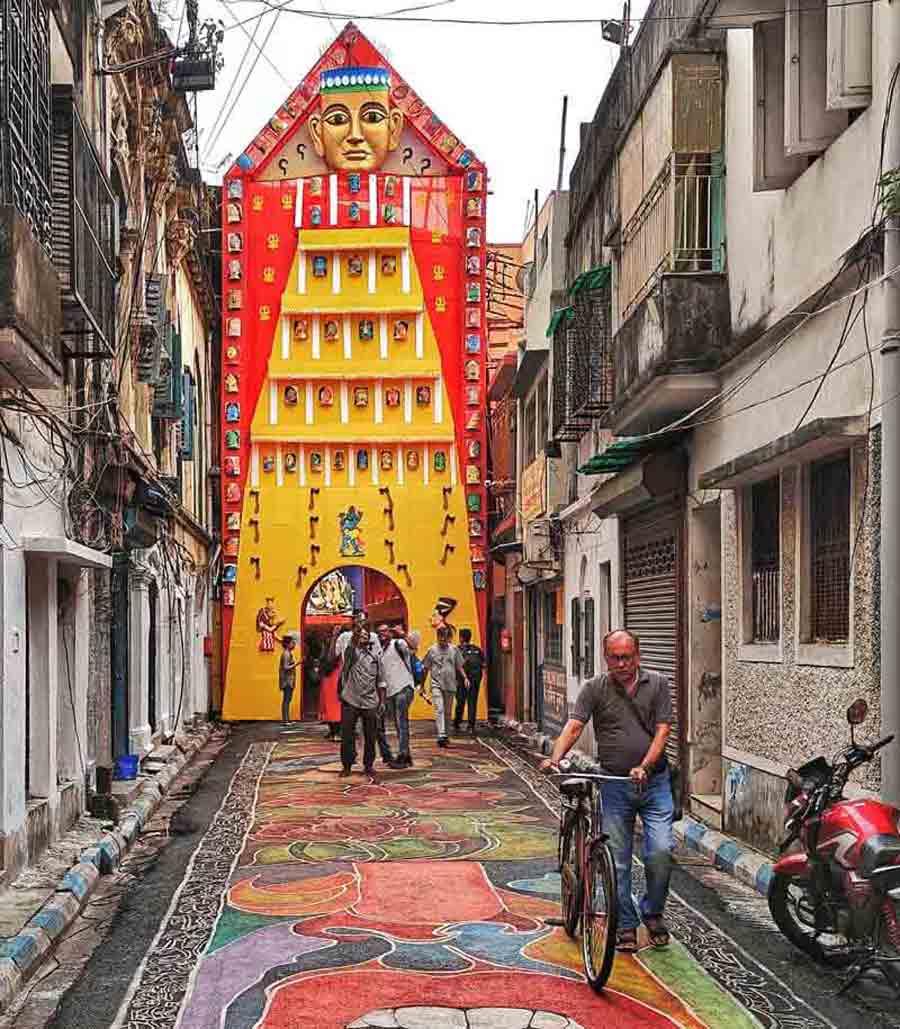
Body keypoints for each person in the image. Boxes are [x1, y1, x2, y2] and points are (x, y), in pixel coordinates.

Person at [541, 629, 674, 952]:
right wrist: (555, 758)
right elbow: (575, 725)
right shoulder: (595, 688)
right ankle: (626, 923)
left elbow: (663, 730)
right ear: (606, 658)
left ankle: (653, 912)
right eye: (614, 657)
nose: (621, 663)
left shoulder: (657, 684)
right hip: (614, 784)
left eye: (627, 656)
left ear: (638, 655)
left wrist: (644, 765)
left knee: (660, 852)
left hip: (654, 782)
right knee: (618, 860)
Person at [339, 618, 386, 779]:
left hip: (370, 701)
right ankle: (346, 765)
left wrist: (382, 701)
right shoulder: (351, 652)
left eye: (366, 634)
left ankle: (368, 765)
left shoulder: (376, 656)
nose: (363, 636)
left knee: (371, 734)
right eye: (360, 634)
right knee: (346, 734)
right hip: (351, 698)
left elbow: (381, 680)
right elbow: (345, 670)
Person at [375, 624, 417, 768]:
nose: (382, 634)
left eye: (385, 631)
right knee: (399, 724)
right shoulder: (379, 651)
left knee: (401, 721)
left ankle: (403, 755)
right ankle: (406, 754)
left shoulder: (398, 643)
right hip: (390, 692)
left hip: (404, 687)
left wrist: (403, 634)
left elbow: (412, 648)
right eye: (379, 632)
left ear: (390, 633)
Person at [421, 625, 468, 747]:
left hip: (450, 684)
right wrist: (422, 685)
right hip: (436, 683)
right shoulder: (431, 650)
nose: (443, 641)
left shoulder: (454, 650)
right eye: (440, 638)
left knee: (447, 712)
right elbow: (425, 668)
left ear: (449, 638)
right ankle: (441, 734)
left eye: (445, 638)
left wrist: (465, 678)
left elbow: (459, 666)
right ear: (437, 637)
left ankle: (446, 735)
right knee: (439, 708)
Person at [453, 628, 485, 736]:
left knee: (460, 702)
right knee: (472, 702)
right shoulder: (477, 649)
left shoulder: (457, 650)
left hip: (461, 681)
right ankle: (471, 725)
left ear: (461, 638)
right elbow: (483, 665)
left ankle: (457, 722)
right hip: (475, 680)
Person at [318, 626, 343, 740]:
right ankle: (333, 730)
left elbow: (331, 658)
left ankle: (337, 731)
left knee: (334, 706)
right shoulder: (326, 647)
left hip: (334, 677)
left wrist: (334, 636)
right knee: (328, 706)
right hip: (328, 677)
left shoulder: (336, 647)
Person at [278, 636, 298, 725]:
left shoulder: (288, 653)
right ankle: (285, 720)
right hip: (287, 680)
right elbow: (286, 667)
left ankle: (287, 719)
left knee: (287, 699)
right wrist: (297, 664)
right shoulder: (286, 654)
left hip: (289, 680)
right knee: (286, 700)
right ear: (287, 644)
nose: (294, 645)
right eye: (292, 643)